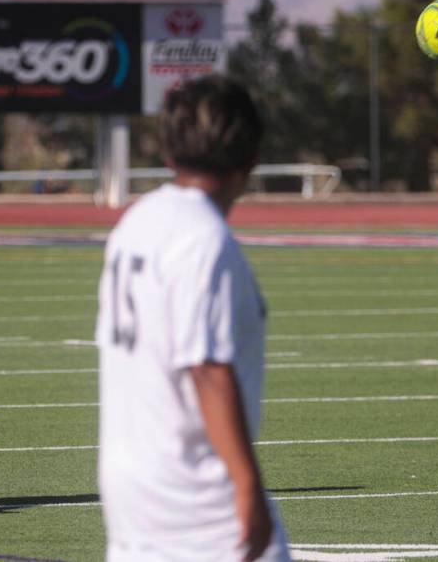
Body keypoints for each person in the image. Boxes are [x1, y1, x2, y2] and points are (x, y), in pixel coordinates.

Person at [95, 76, 291, 562]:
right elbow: (205, 367)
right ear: (250, 159)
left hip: (132, 490)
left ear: (169, 153)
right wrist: (247, 486)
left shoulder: (137, 222)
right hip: (199, 500)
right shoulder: (204, 239)